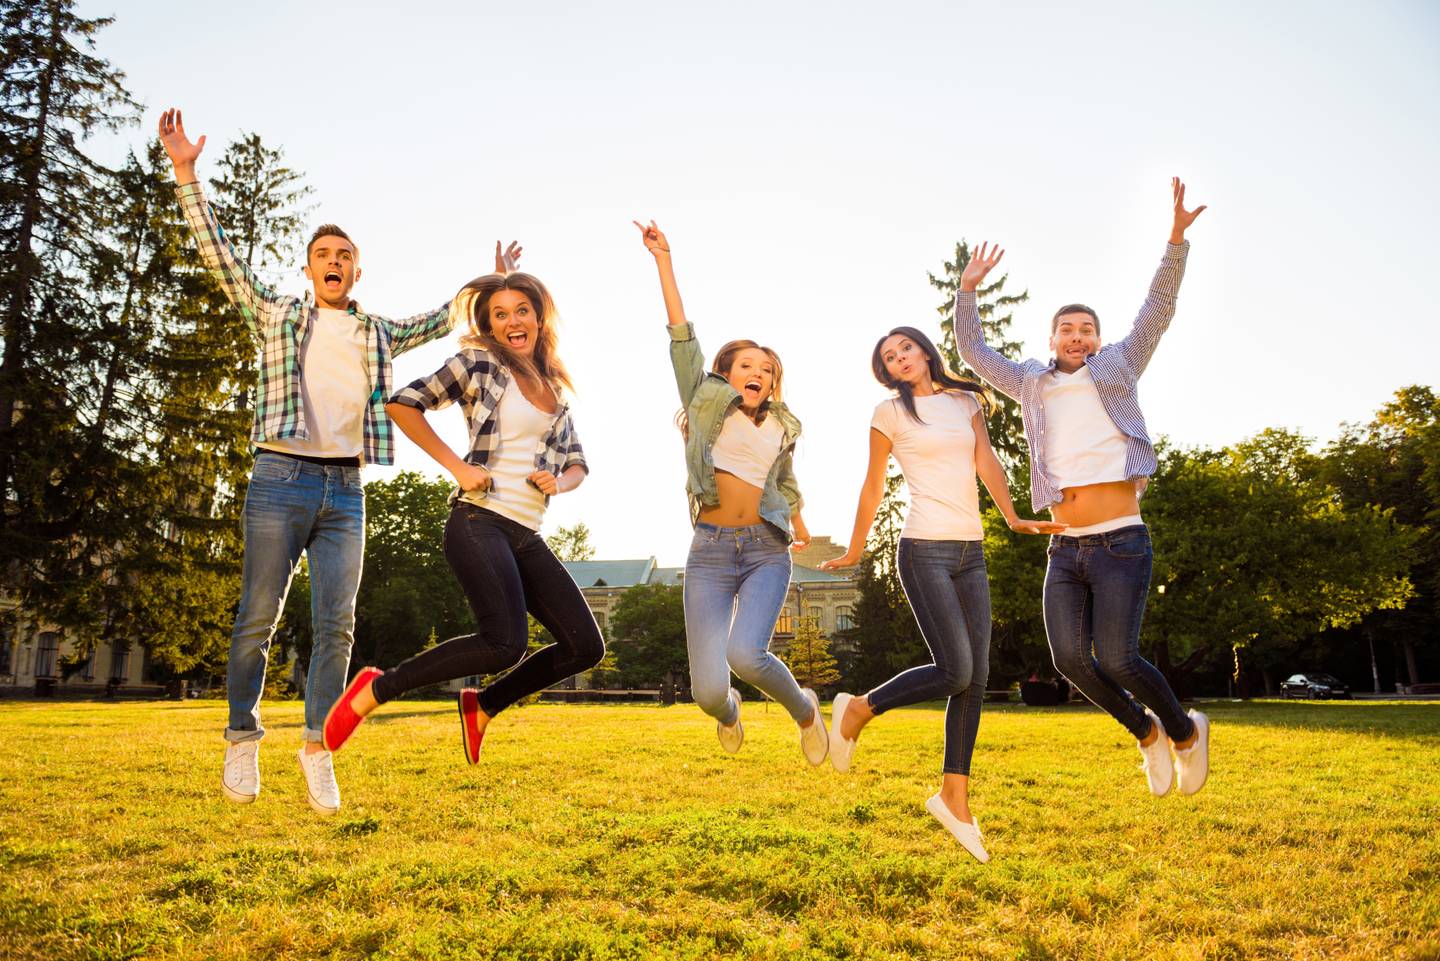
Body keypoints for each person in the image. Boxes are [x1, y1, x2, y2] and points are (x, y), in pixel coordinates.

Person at [158, 108, 513, 814]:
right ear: (309, 266)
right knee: (258, 615)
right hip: (278, 479)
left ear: (357, 269)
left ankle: (318, 746)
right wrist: (186, 173)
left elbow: (444, 315)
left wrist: (493, 282)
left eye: (345, 255)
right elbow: (219, 255)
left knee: (338, 626)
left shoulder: (375, 330)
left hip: (345, 492)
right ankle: (240, 736)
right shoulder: (277, 314)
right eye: (325, 254)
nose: (335, 262)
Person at [954, 178, 1210, 797]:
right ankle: (1144, 731)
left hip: (1122, 540)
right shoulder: (1031, 383)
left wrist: (1175, 241)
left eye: (1086, 328)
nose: (1077, 336)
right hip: (1066, 546)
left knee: (1119, 658)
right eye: (1066, 329)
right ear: (1050, 340)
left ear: (1097, 338)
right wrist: (966, 291)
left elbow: (1158, 309)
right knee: (1070, 659)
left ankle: (1183, 731)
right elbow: (973, 351)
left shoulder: (1120, 364)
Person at [321, 269, 604, 766]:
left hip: (526, 533)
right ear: (490, 326)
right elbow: (404, 404)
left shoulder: (555, 387)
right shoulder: (479, 363)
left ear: (539, 317)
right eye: (500, 314)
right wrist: (458, 467)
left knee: (585, 646)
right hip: (479, 521)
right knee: (504, 642)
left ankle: (484, 705)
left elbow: (577, 461)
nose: (513, 320)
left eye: (521, 310)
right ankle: (378, 687)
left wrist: (561, 481)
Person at [820, 328, 1062, 861]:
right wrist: (858, 547)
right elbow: (873, 483)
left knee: (974, 677)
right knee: (954, 669)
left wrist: (1014, 516)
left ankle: (955, 795)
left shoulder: (963, 400)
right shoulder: (888, 413)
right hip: (923, 548)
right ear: (884, 370)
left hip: (970, 553)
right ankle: (860, 708)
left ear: (925, 351)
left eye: (905, 348)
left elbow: (986, 463)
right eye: (888, 356)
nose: (899, 357)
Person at [635, 219, 828, 765]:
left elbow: (783, 481)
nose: (758, 374)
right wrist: (663, 260)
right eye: (747, 366)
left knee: (747, 653)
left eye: (767, 370)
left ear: (773, 382)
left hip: (766, 548)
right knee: (708, 692)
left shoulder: (783, 423)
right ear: (725, 373)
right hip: (711, 553)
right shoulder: (705, 398)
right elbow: (681, 335)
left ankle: (806, 711)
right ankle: (730, 713)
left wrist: (801, 518)